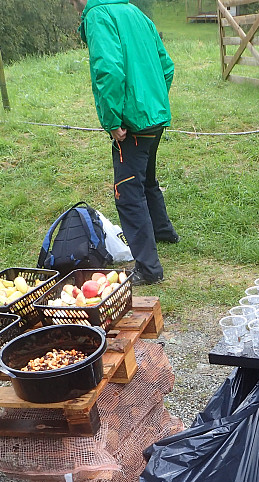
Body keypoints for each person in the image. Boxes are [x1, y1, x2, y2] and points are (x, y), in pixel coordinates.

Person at [78, 0, 178, 286]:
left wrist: (113, 120)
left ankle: (148, 268)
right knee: (147, 178)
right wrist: (154, 99)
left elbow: (108, 69)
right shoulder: (134, 11)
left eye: (75, 5)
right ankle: (163, 232)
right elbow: (166, 66)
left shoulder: (98, 14)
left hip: (133, 123)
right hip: (155, 117)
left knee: (128, 192)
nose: (77, 11)